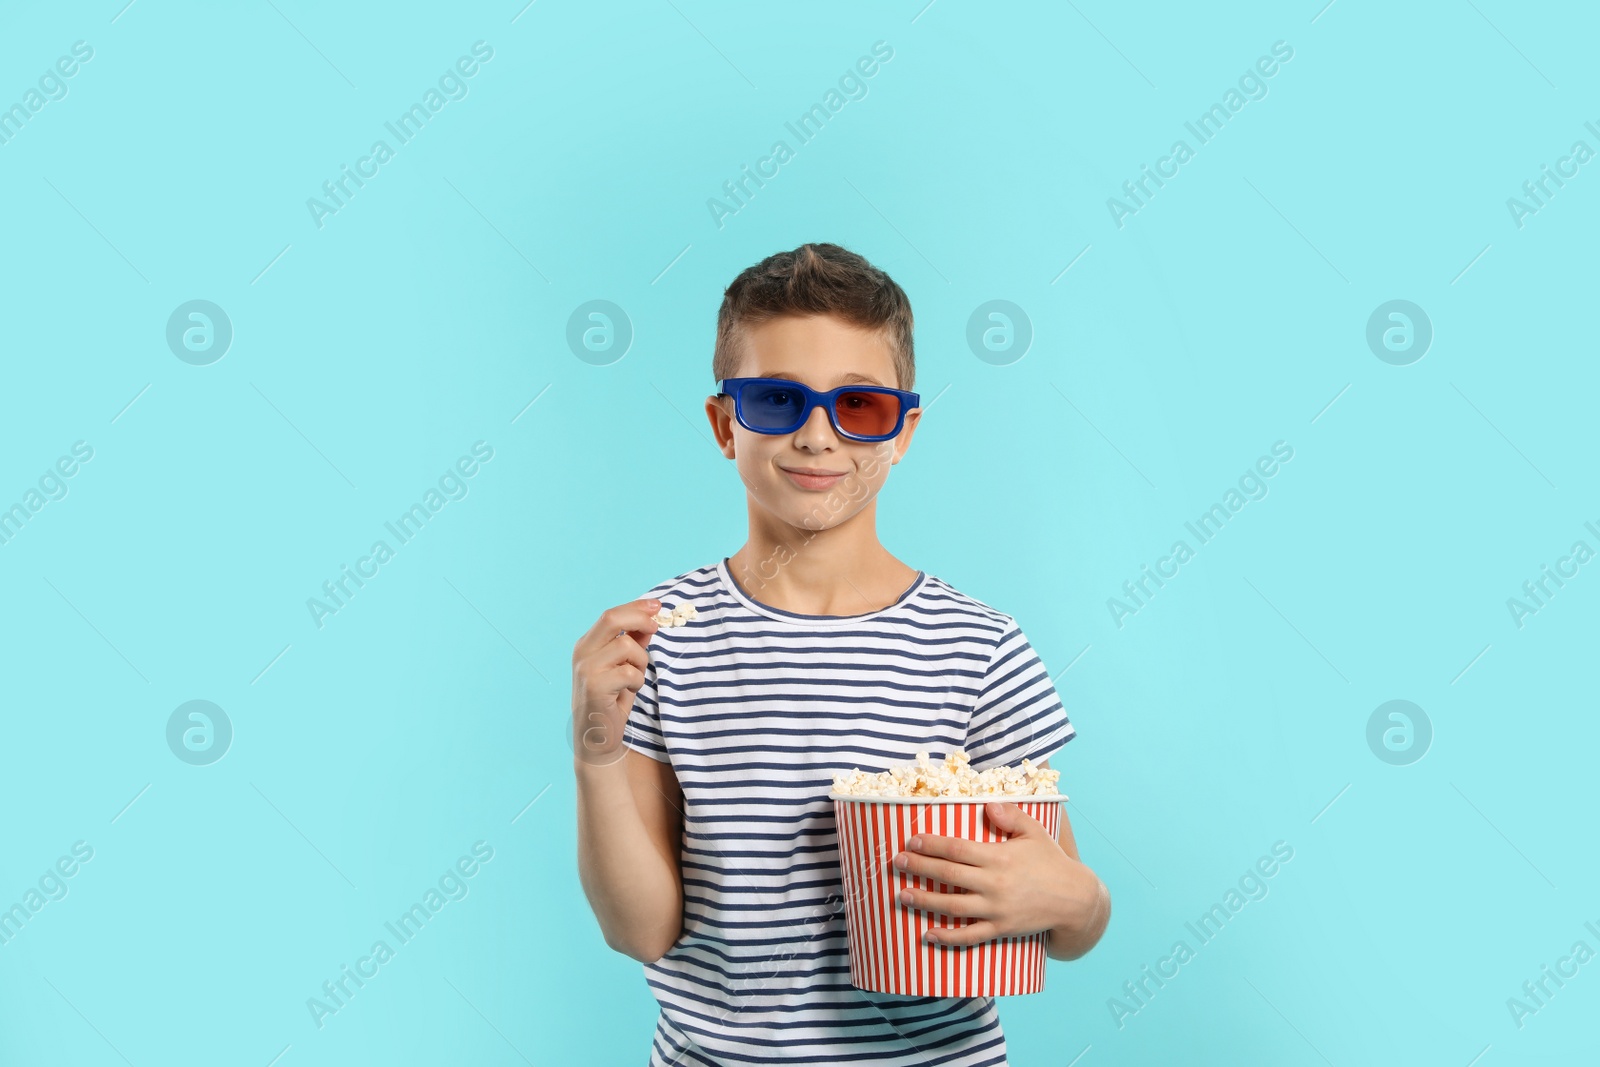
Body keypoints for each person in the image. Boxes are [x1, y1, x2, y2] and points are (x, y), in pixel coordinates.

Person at [572, 242, 1110, 1065]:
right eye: (778, 400)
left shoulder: (981, 647)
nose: (818, 436)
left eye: (859, 406)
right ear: (725, 424)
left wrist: (1080, 901)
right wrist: (596, 752)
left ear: (903, 431)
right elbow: (639, 928)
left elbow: (1067, 912)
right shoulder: (661, 642)